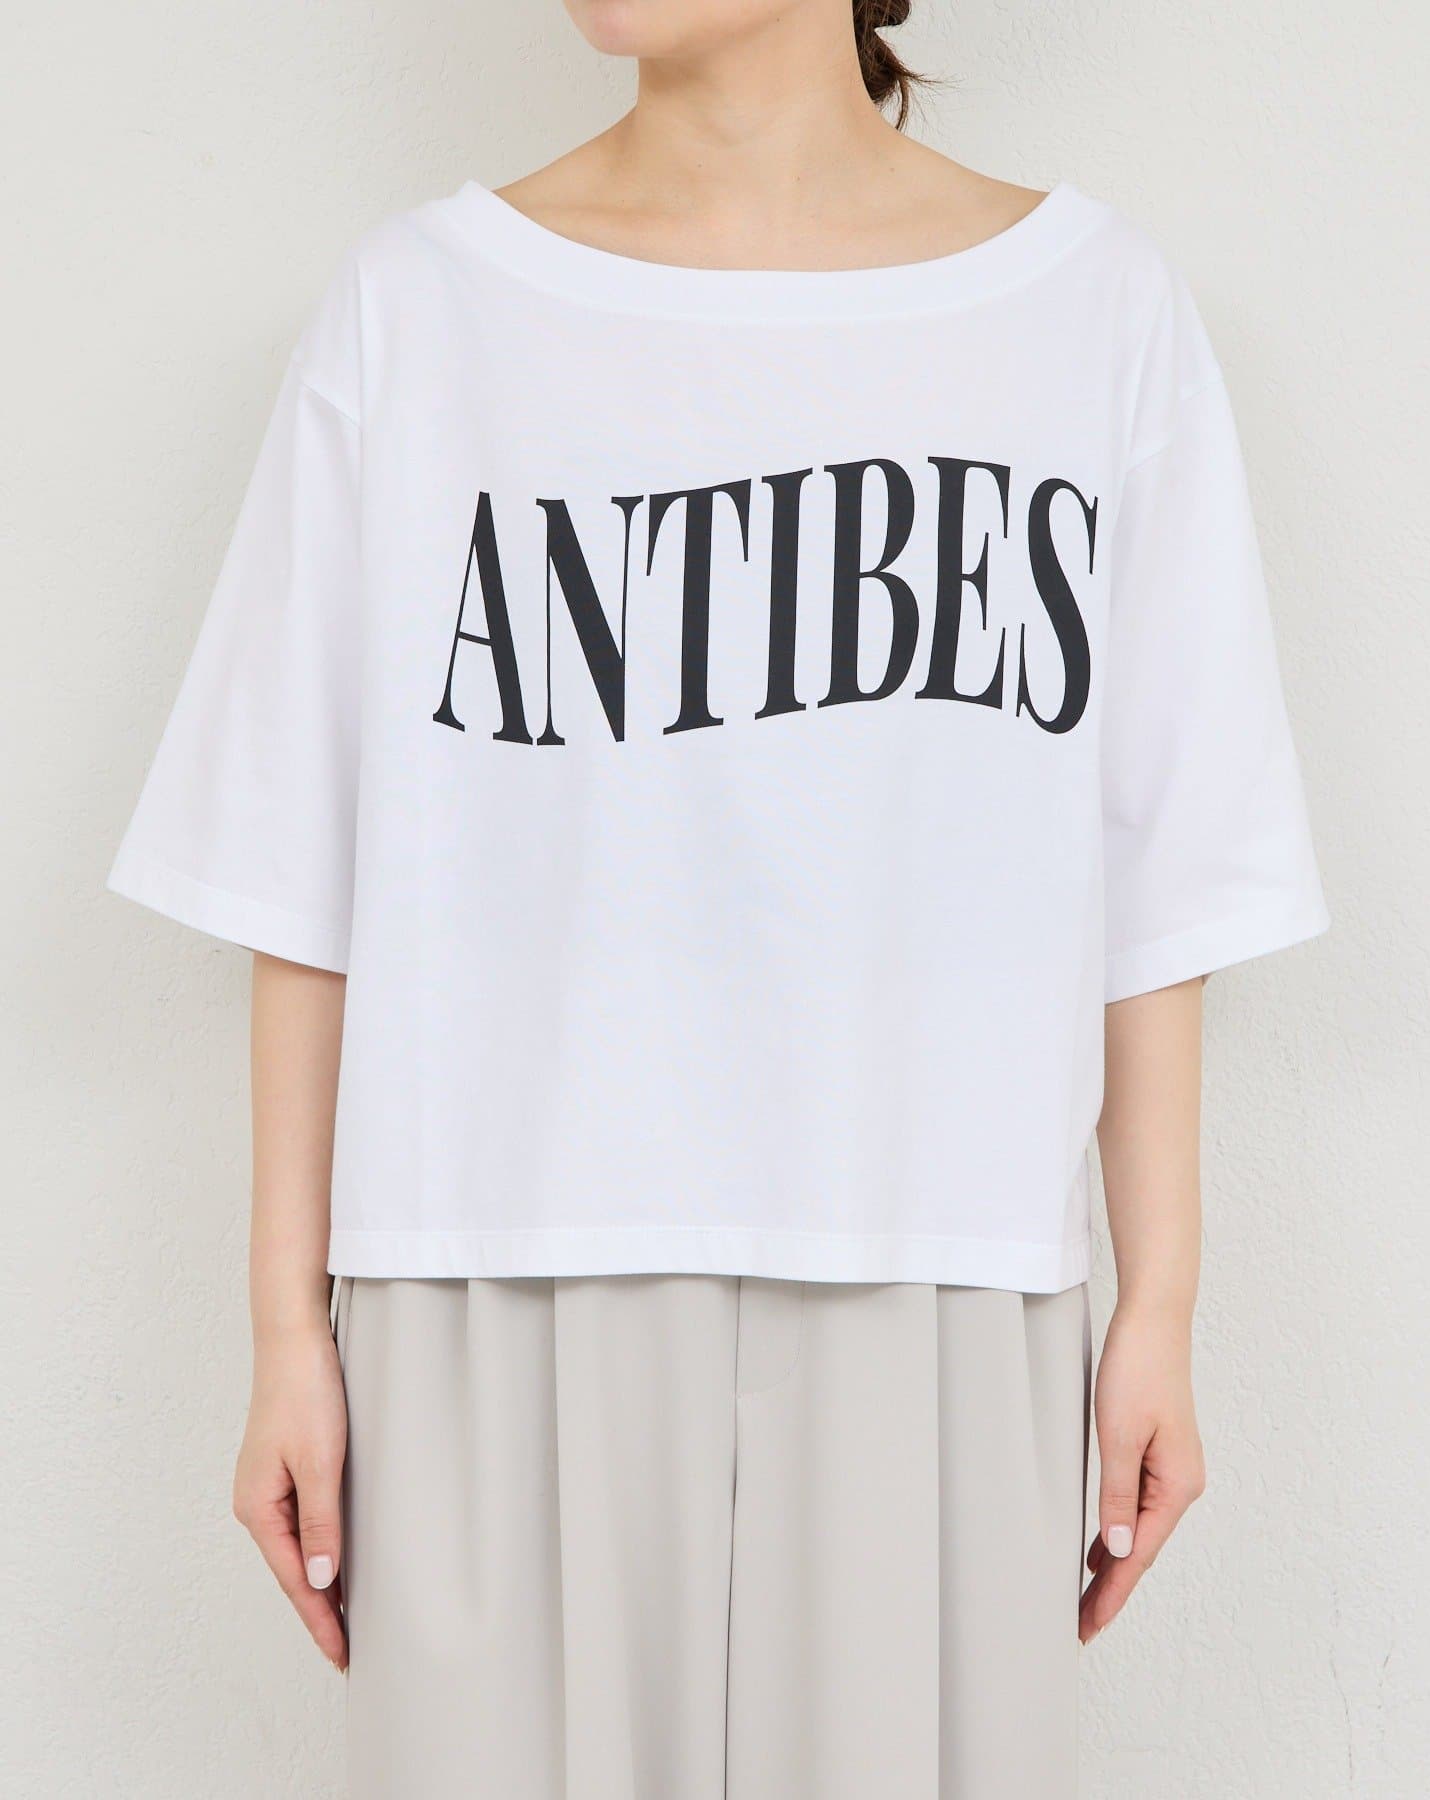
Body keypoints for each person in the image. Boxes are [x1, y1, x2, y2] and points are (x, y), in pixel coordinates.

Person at [108, 0, 1328, 1792]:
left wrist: (1162, 1310)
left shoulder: (1092, 312)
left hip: (941, 1277)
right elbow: (303, 873)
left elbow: (1160, 877)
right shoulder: (420, 311)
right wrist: (286, 1330)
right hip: (487, 1277)